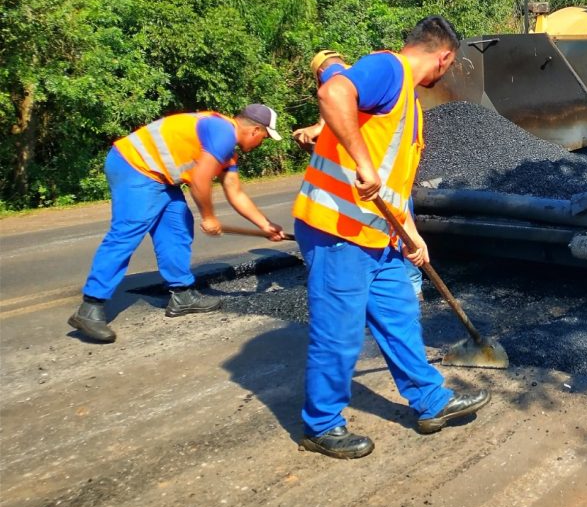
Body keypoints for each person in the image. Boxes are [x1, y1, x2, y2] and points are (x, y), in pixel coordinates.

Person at [292, 16, 489, 459]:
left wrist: (412, 236)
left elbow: (393, 185)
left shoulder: (409, 107)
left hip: (379, 236)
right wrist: (360, 161)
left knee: (400, 318)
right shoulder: (388, 70)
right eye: (450, 66)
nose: (446, 72)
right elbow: (332, 91)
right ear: (444, 57)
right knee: (339, 332)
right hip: (337, 230)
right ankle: (320, 424)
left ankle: (431, 400)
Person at [68, 104, 288, 344]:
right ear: (256, 130)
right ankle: (90, 307)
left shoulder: (227, 150)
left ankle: (182, 295)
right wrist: (209, 217)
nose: (262, 143)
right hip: (134, 166)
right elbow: (199, 180)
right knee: (127, 232)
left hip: (161, 178)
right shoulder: (223, 132)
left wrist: (265, 225)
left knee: (177, 227)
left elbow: (235, 191)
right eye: (265, 137)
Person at [294, 49, 426, 301]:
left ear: (319, 72)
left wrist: (319, 126)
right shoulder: (398, 90)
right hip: (394, 188)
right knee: (402, 237)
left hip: (378, 193)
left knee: (393, 238)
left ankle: (400, 286)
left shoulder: (333, 72)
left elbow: (334, 91)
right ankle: (410, 287)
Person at [291, 50, 349, 152]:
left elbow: (323, 124)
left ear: (321, 72)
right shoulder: (360, 72)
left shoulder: (332, 77)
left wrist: (318, 128)